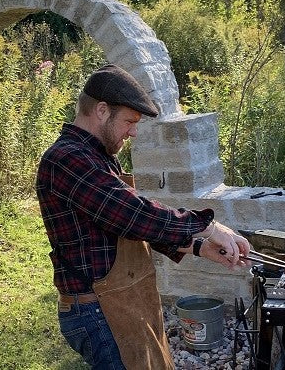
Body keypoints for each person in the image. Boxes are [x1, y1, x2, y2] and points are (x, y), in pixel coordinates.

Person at [36, 64, 252, 369]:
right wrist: (208, 226)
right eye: (129, 121)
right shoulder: (66, 159)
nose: (134, 131)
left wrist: (202, 248)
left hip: (122, 301)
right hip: (99, 310)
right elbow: (132, 213)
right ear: (101, 110)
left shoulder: (97, 157)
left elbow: (125, 227)